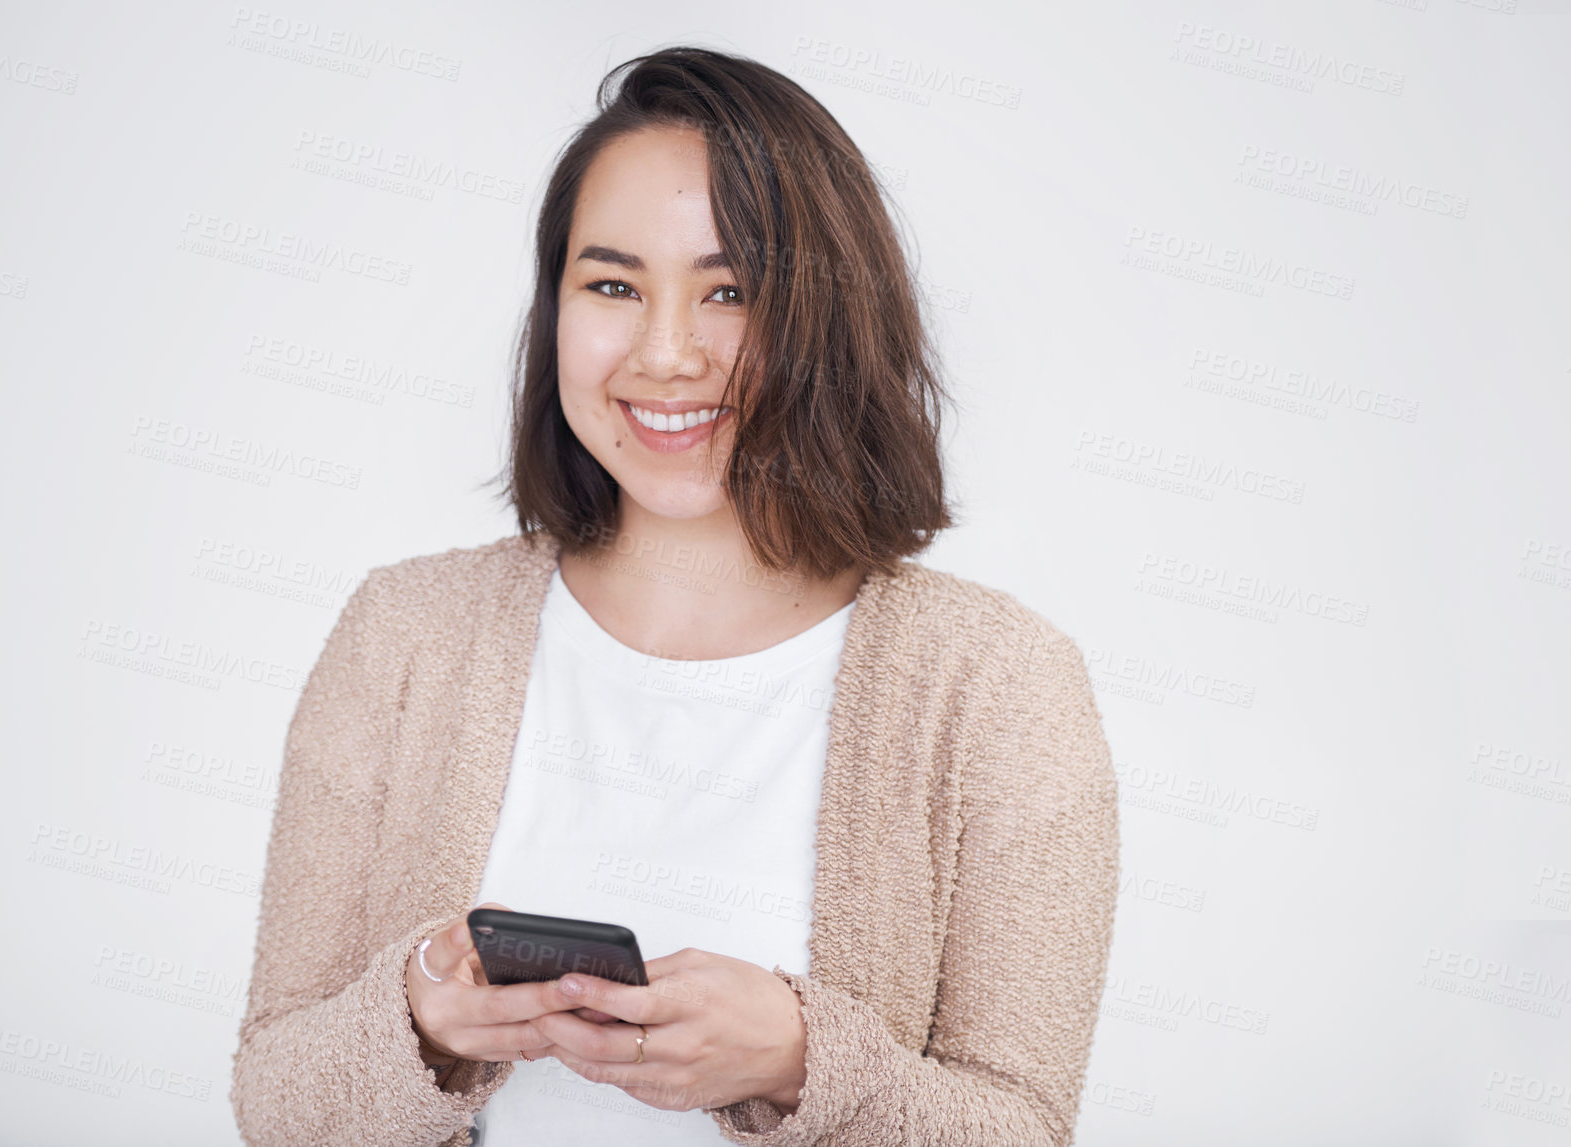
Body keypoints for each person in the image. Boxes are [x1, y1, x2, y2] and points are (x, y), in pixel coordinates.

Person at [230, 46, 1119, 1147]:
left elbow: (1019, 1128)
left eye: (729, 291)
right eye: (611, 284)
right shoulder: (404, 636)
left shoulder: (998, 685)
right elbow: (273, 1106)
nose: (664, 352)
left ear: (831, 319)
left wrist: (799, 1060)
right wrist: (424, 1023)